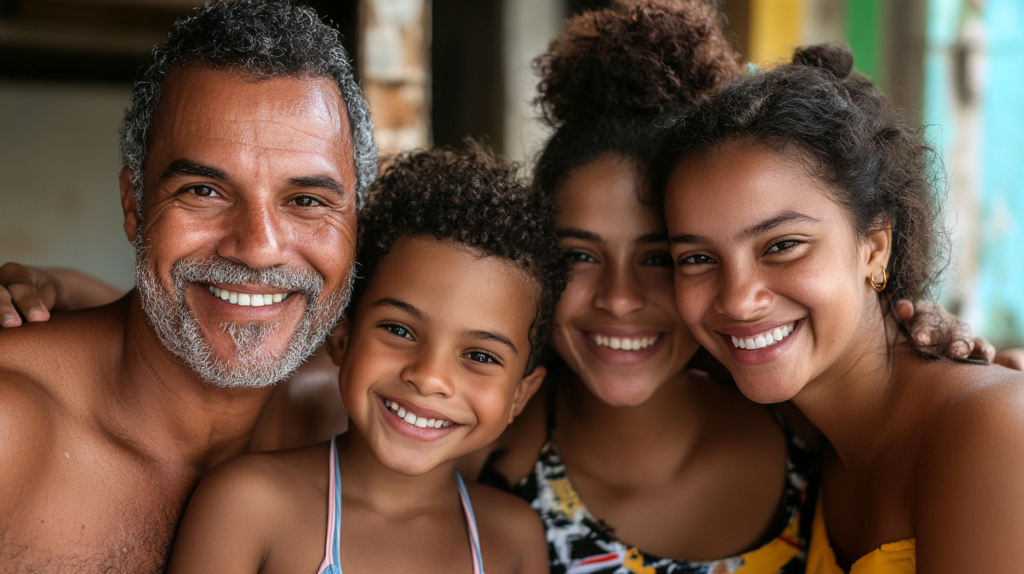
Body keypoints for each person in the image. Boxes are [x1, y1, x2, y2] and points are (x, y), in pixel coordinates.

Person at [0, 1, 375, 572]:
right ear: (134, 205)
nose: (258, 247)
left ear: (356, 229)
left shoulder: (360, 424)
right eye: (204, 190)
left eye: (305, 200)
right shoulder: (11, 428)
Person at [650, 43, 1024, 573]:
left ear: (874, 246)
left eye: (782, 245)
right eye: (697, 257)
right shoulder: (805, 440)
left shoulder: (989, 431)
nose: (737, 299)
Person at [164, 143, 559, 574]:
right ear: (341, 335)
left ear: (521, 394)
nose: (428, 378)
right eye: (399, 330)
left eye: (480, 355)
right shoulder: (249, 504)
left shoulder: (513, 538)